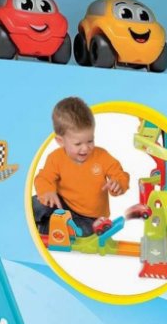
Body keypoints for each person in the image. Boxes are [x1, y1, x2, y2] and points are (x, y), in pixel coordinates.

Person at [32, 96, 129, 238]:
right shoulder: (55, 158)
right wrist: (47, 191)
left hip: (90, 218)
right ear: (60, 141)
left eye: (90, 141)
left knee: (85, 232)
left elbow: (120, 174)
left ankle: (45, 227)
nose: (85, 148)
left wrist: (118, 184)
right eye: (78, 144)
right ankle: (46, 224)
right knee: (34, 204)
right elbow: (43, 178)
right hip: (62, 205)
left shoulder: (102, 156)